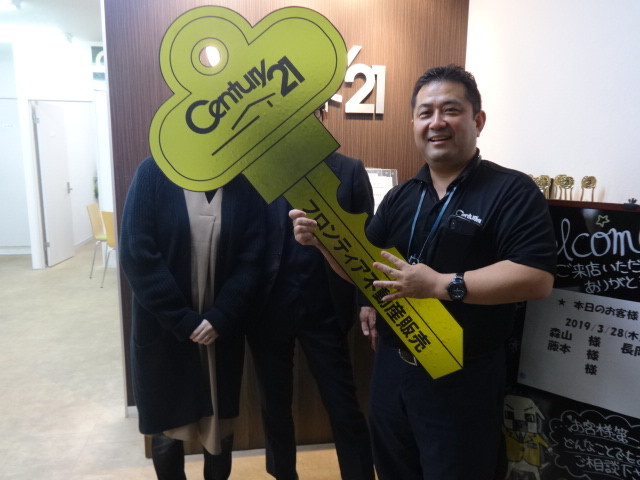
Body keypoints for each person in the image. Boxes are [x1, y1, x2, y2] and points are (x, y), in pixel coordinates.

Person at [291, 65, 557, 480]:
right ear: (414, 124)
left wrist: (440, 285)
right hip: (392, 369)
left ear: (478, 120)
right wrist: (323, 243)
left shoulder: (511, 191)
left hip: (464, 375)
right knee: (393, 468)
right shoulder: (401, 197)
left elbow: (535, 277)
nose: (436, 122)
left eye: (450, 110)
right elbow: (367, 272)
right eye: (425, 112)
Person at [246, 105, 376, 480]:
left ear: (322, 116)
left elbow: (368, 242)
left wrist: (366, 301)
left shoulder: (350, 170)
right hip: (269, 310)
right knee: (274, 406)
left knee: (343, 406)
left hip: (325, 308)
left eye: (310, 114)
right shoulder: (261, 171)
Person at [119, 156, 266, 480]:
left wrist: (222, 315)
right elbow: (137, 252)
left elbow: (253, 257)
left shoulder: (241, 180)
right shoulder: (153, 173)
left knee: (221, 428)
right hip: (164, 329)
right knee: (167, 429)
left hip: (220, 330)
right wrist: (181, 319)